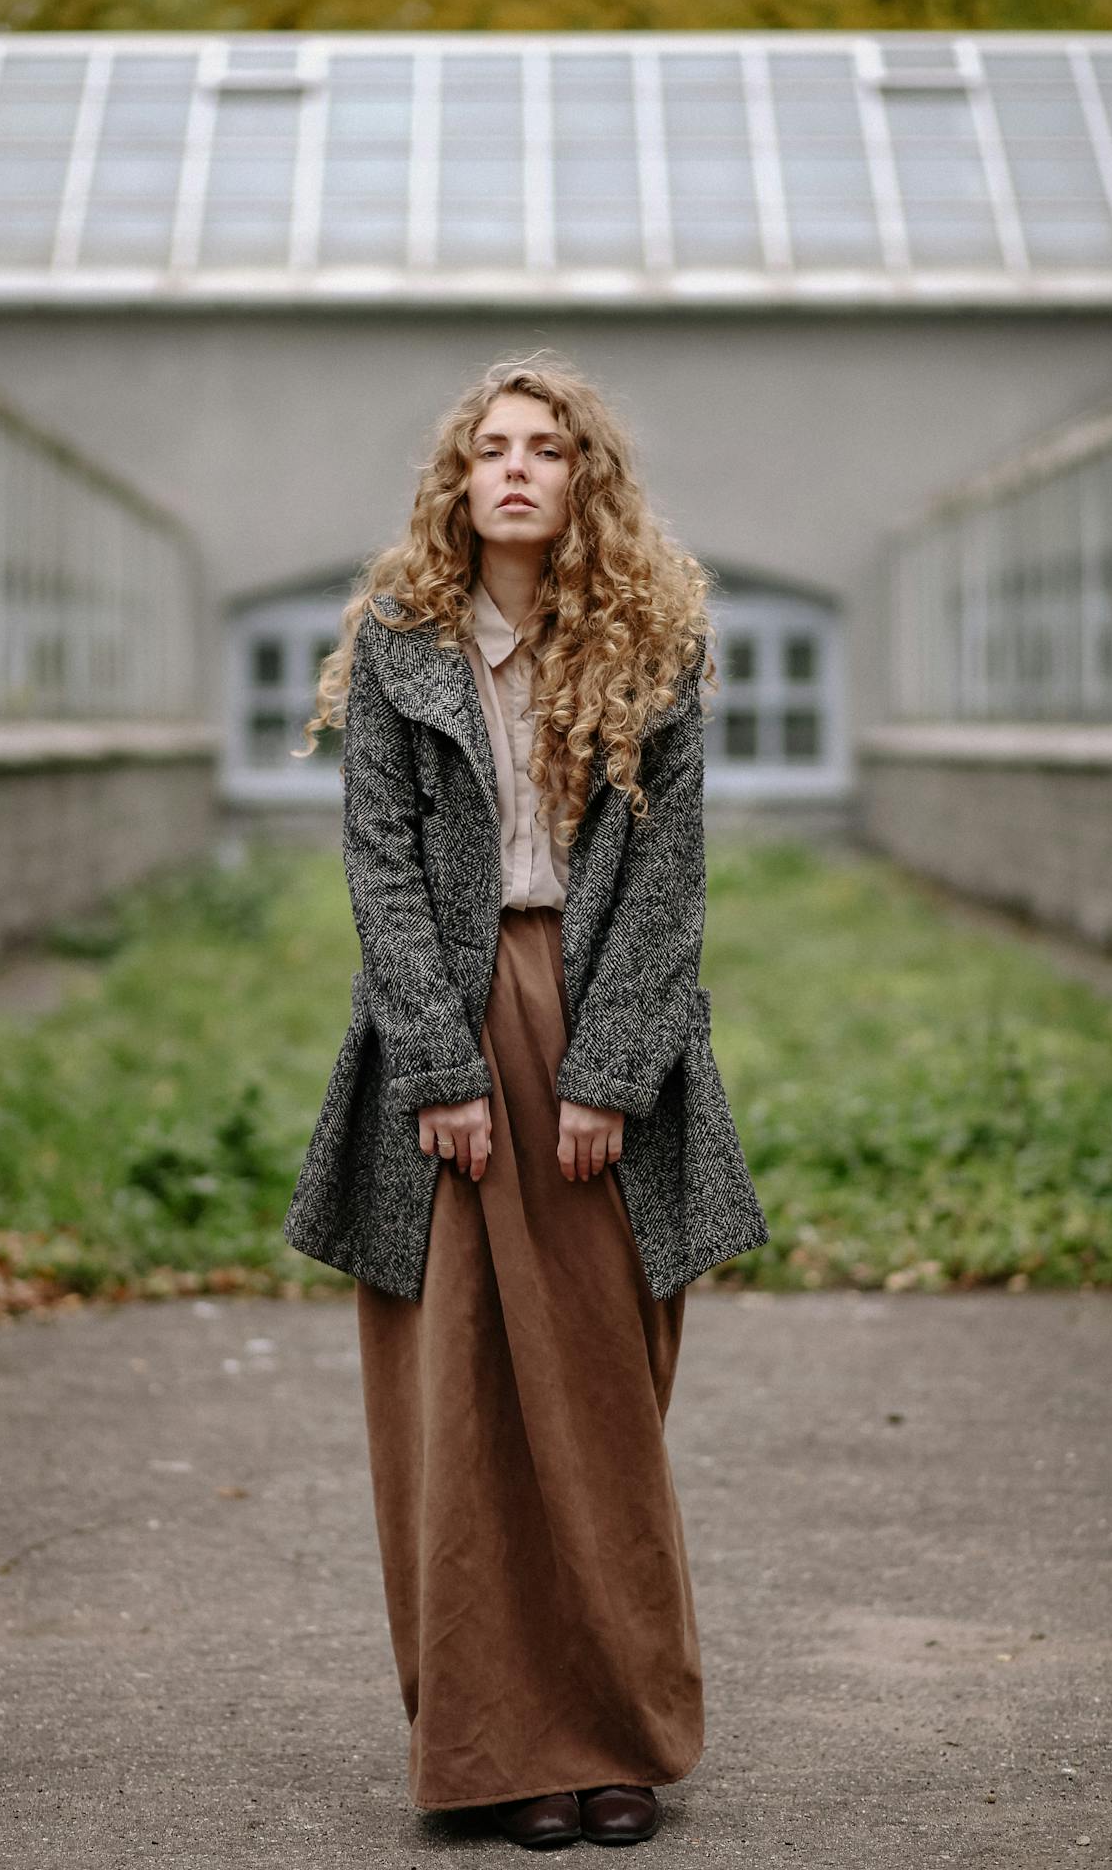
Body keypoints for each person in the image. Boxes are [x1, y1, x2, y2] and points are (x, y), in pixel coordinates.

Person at [283, 350, 769, 1849]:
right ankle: (500, 1756)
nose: (514, 468)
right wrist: (440, 1070)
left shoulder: (656, 649)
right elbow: (379, 876)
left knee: (601, 1402)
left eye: (546, 449)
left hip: (603, 1024)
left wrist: (608, 1076)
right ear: (458, 477)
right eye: (491, 446)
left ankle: (616, 1736)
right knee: (458, 1408)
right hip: (439, 1030)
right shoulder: (397, 643)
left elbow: (670, 884)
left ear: (582, 481)